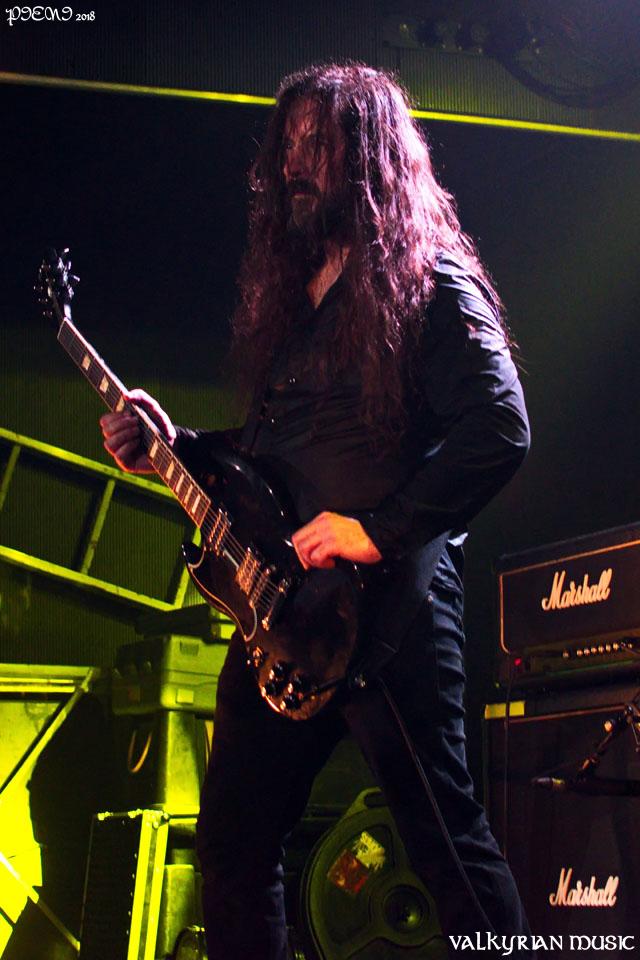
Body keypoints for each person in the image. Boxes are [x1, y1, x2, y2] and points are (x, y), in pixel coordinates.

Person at [100, 63, 532, 959]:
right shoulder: (295, 306)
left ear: (369, 158)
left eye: (318, 144)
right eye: (288, 144)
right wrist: (173, 445)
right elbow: (277, 466)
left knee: (446, 848)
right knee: (233, 850)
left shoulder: (430, 281)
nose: (295, 163)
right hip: (286, 622)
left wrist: (377, 532)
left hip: (388, 619)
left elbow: (500, 424)